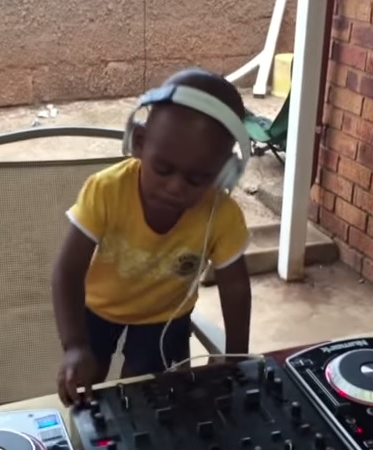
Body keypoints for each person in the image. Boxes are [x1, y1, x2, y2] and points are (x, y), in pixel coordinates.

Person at [52, 67, 253, 406]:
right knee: (88, 386)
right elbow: (67, 271)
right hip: (98, 310)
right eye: (163, 169)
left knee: (145, 400)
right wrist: (74, 346)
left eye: (197, 179)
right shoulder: (105, 190)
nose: (175, 187)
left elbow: (235, 288)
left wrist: (235, 357)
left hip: (164, 319)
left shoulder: (222, 214)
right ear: (139, 143)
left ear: (225, 172)